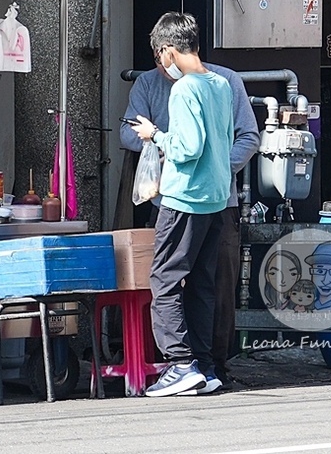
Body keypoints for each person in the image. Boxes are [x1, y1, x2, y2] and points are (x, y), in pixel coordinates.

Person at [120, 20, 259, 388]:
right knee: (202, 283)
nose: (160, 62)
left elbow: (187, 147)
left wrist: (155, 135)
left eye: (160, 54)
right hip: (216, 199)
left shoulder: (183, 89)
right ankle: (207, 368)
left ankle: (181, 364)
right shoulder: (219, 84)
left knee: (164, 280)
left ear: (168, 50)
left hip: (184, 198)